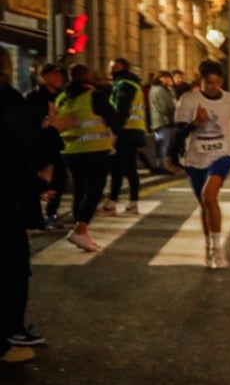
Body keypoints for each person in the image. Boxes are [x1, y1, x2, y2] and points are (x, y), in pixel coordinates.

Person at [170, 59, 230, 268]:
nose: (213, 87)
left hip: (223, 154)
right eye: (209, 83)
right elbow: (177, 133)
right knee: (205, 204)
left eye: (217, 82)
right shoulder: (188, 100)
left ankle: (218, 248)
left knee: (209, 195)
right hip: (195, 158)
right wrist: (195, 123)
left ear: (221, 81)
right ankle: (209, 246)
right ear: (201, 82)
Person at [2, 48, 47, 360]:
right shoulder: (8, 100)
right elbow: (20, 149)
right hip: (7, 199)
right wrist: (53, 132)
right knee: (13, 267)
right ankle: (8, 335)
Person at [56, 63, 117, 253]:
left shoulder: (62, 98)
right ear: (88, 76)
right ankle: (80, 230)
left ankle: (80, 230)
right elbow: (114, 119)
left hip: (70, 151)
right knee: (94, 192)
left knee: (80, 190)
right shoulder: (94, 96)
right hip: (94, 150)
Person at [22, 63, 67, 231]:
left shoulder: (63, 96)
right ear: (44, 77)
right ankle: (35, 216)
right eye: (54, 75)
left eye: (60, 75)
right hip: (39, 143)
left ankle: (52, 212)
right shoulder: (33, 97)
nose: (58, 78)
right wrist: (43, 123)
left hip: (57, 143)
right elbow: (27, 121)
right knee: (37, 178)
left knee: (59, 178)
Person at [102, 57, 148, 215]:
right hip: (135, 130)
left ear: (123, 67)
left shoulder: (124, 85)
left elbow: (122, 111)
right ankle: (133, 202)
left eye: (115, 66)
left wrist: (114, 132)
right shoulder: (133, 83)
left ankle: (111, 203)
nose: (111, 69)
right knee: (129, 168)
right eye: (111, 66)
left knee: (117, 167)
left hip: (125, 131)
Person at [145, 70, 176, 174]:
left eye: (169, 78)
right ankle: (162, 166)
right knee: (164, 145)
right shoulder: (159, 90)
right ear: (160, 78)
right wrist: (174, 109)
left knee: (161, 144)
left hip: (159, 121)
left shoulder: (159, 89)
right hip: (163, 121)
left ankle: (160, 165)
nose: (168, 80)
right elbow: (165, 107)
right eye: (166, 78)